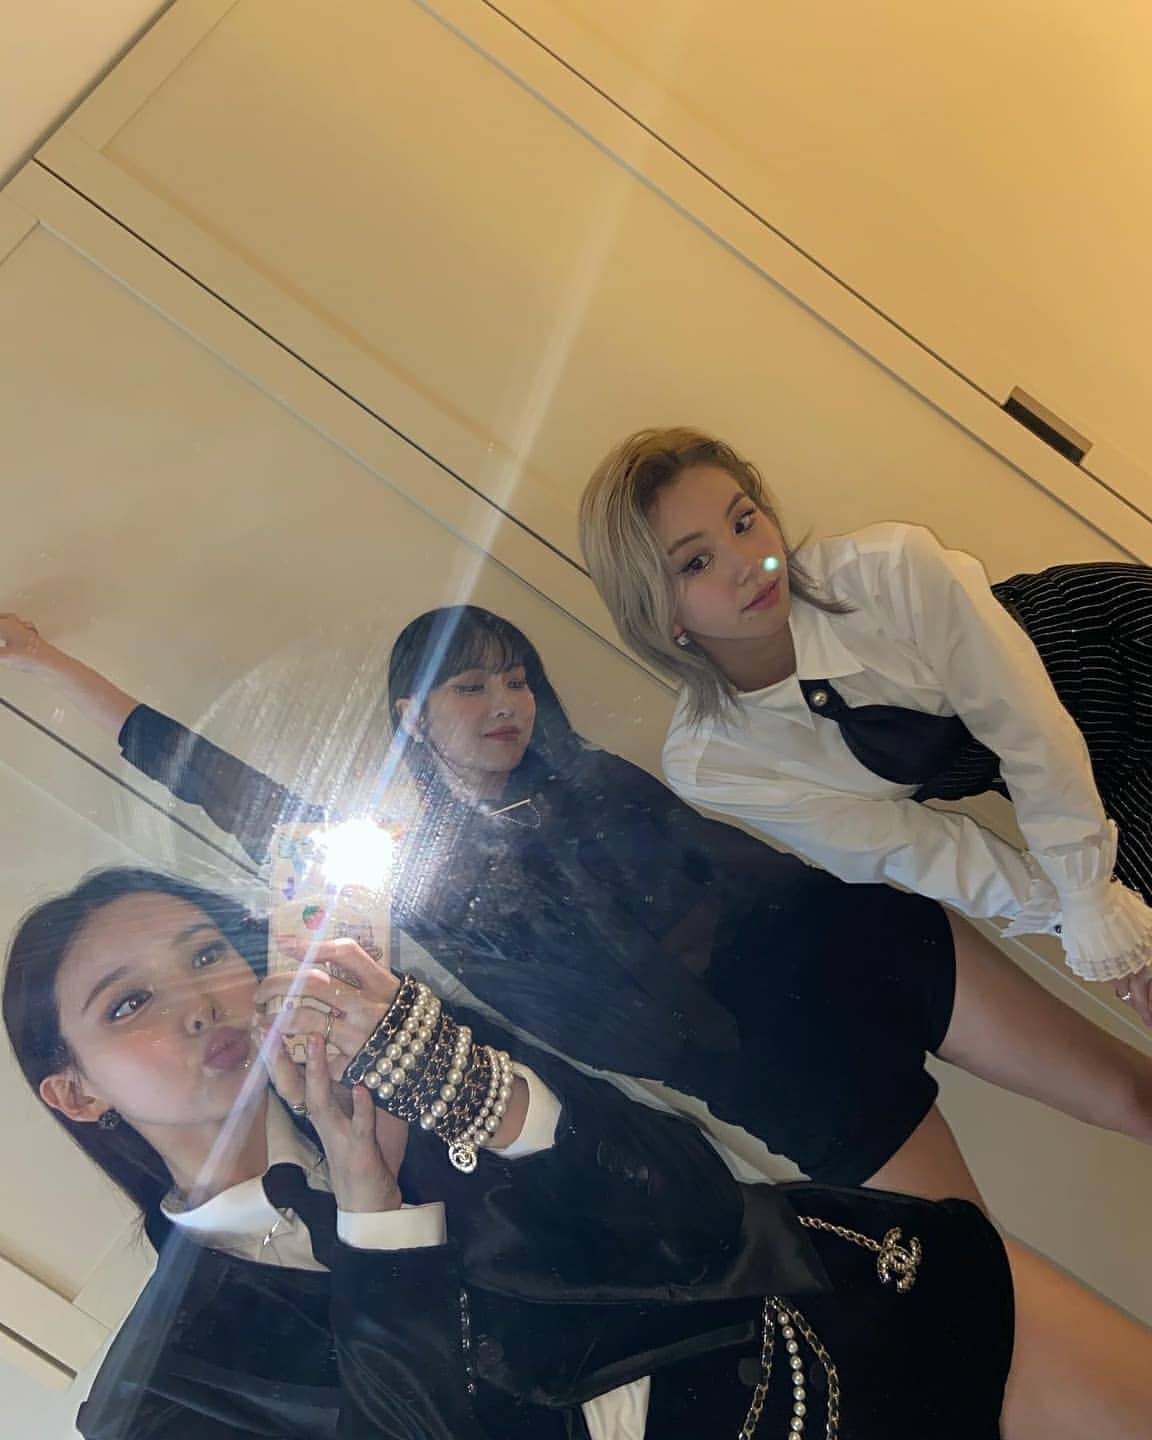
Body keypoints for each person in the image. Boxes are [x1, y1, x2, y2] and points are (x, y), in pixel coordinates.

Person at [3, 608, 1150, 1206]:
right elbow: (204, 773)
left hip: (871, 949)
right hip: (789, 1080)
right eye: (469, 683)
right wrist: (50, 664)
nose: (504, 701)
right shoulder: (394, 870)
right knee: (970, 1301)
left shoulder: (599, 770)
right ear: (411, 714)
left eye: (516, 676)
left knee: (1136, 1095)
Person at [4, 866, 1025, 1440]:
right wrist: (370, 1211)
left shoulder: (401, 1052)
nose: (199, 1003)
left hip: (864, 1317)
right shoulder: (158, 1394)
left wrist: (461, 1085)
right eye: (128, 1004)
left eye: (206, 954)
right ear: (75, 1091)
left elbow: (698, 1211)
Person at [579, 426, 1152, 1024]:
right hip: (1091, 779)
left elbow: (1025, 725)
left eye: (744, 522)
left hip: (1110, 648)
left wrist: (1090, 901)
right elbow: (918, 850)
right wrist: (1096, 926)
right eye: (697, 562)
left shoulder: (889, 568)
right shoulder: (719, 760)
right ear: (659, 612)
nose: (750, 563)